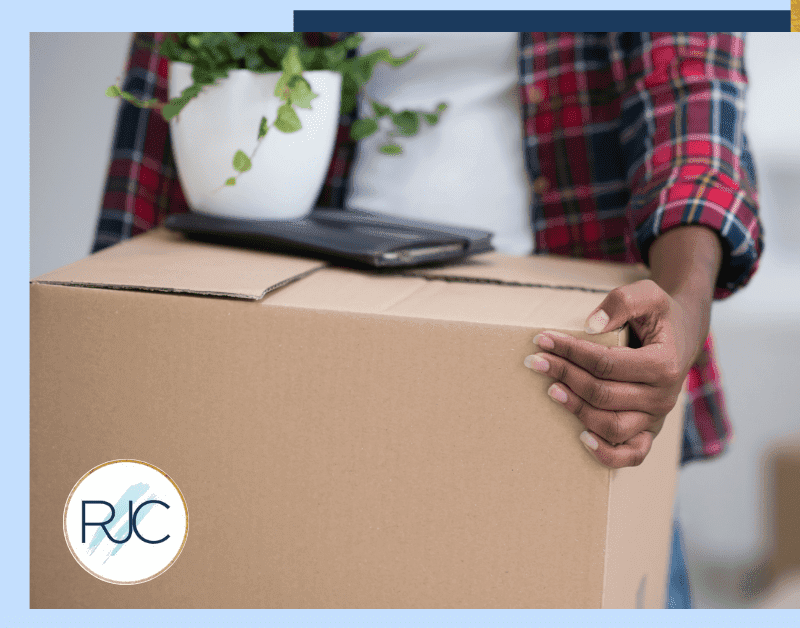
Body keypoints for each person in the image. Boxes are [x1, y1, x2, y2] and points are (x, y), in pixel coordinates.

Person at [95, 31, 764, 608]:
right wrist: (117, 341)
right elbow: (173, 93)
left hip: (564, 352)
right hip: (313, 340)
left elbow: (687, 83)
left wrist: (682, 298)